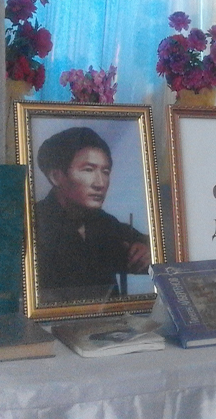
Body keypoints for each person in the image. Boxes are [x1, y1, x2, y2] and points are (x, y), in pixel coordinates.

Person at [34, 126, 151, 303]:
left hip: (108, 319)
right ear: (56, 176)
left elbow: (150, 246)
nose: (100, 183)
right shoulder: (34, 222)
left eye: (105, 172)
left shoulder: (103, 222)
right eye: (88, 170)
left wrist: (147, 249)